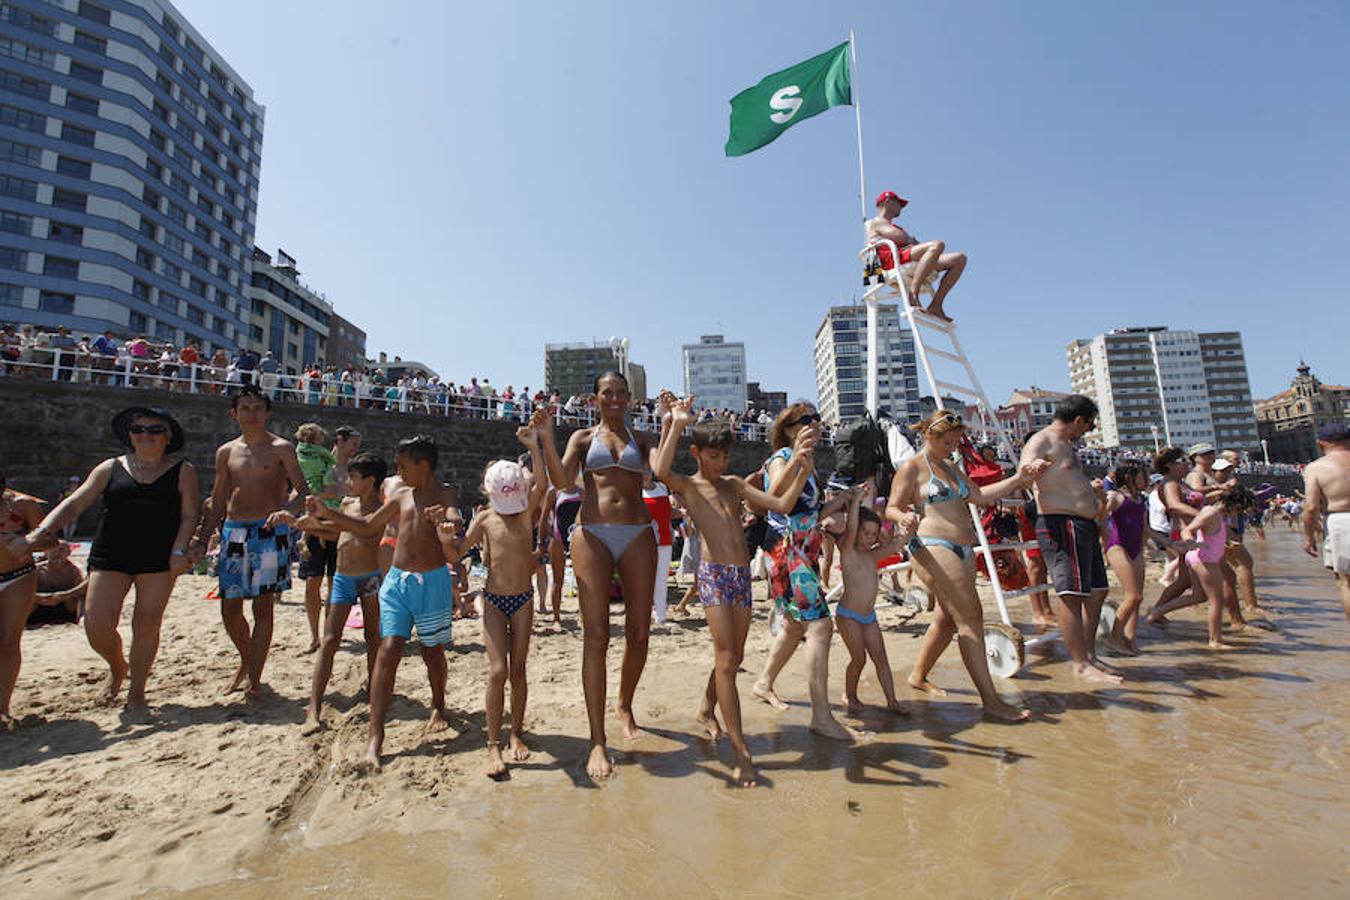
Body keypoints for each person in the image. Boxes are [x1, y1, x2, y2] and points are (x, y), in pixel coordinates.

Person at [652, 394, 815, 787]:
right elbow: (659, 469)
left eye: (724, 456)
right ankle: (741, 752)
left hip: (741, 577)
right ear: (696, 453)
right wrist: (675, 421)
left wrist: (798, 462)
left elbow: (779, 503)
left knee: (733, 656)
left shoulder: (734, 485)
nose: (719, 463)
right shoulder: (689, 486)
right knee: (727, 660)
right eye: (712, 456)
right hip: (713, 576)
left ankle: (707, 709)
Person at [20, 407, 199, 713]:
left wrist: (180, 549)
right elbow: (76, 503)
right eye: (139, 429)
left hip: (159, 556)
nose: (146, 435)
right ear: (129, 435)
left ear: (167, 437)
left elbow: (190, 514)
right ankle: (118, 666)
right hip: (110, 553)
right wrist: (43, 530)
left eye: (155, 430)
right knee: (97, 624)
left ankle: (137, 692)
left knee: (146, 623)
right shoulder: (110, 467)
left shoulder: (183, 470)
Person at [304, 435, 456, 771]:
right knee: (388, 651)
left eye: (403, 466)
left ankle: (438, 705)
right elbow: (368, 526)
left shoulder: (444, 494)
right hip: (397, 581)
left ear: (423, 465)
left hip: (431, 582)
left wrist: (446, 523)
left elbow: (454, 520)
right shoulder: (400, 493)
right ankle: (376, 738)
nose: (398, 473)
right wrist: (326, 514)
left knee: (433, 651)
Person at [535, 371, 658, 781]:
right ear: (596, 398)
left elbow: (659, 473)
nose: (617, 399)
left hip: (639, 532)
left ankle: (624, 705)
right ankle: (597, 739)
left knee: (639, 633)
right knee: (597, 636)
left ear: (631, 398)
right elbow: (562, 480)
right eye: (609, 393)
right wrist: (548, 439)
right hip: (592, 533)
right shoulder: (583, 439)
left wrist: (674, 424)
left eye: (623, 393)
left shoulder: (642, 439)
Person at [886, 410, 1049, 718]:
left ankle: (917, 676)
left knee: (948, 619)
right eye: (947, 442)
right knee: (971, 618)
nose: (953, 448)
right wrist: (903, 516)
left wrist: (1020, 478)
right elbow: (891, 506)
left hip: (962, 547)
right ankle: (991, 701)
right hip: (934, 547)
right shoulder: (912, 468)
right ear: (929, 436)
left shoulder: (950, 467)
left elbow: (978, 496)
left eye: (956, 442)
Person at [435, 421, 548, 779]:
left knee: (518, 670)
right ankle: (492, 744)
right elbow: (456, 555)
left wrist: (534, 446)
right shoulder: (485, 518)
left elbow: (543, 484)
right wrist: (442, 538)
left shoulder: (526, 512)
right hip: (496, 601)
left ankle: (516, 733)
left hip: (524, 600)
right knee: (498, 670)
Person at [192, 385, 308, 698]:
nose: (252, 413)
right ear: (234, 413)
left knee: (263, 609)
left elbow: (301, 488)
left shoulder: (281, 447)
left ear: (267, 412)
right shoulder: (227, 451)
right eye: (245, 408)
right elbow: (217, 501)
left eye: (257, 407)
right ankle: (246, 661)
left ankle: (254, 679)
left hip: (270, 532)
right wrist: (203, 541)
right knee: (229, 610)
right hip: (234, 531)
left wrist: (287, 512)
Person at [749, 403, 857, 739]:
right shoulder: (782, 455)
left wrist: (842, 500)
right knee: (821, 626)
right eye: (806, 420)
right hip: (786, 551)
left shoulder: (809, 462)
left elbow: (808, 509)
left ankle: (763, 682)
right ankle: (821, 716)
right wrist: (796, 457)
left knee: (796, 626)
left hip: (803, 551)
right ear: (789, 427)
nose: (815, 424)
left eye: (817, 419)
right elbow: (774, 495)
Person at [272, 452, 387, 734]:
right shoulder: (347, 504)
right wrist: (308, 525)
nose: (348, 482)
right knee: (330, 639)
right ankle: (314, 705)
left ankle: (374, 689)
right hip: (345, 577)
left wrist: (322, 517)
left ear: (370, 481)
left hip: (370, 577)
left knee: (373, 637)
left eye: (354, 478)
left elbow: (365, 530)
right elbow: (338, 532)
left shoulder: (382, 510)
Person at [1018, 395, 1123, 683]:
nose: (1086, 432)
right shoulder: (1043, 439)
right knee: (1072, 595)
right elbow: (1024, 472)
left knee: (1098, 591)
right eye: (1088, 426)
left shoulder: (1067, 446)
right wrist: (1032, 468)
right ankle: (1080, 664)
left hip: (1084, 524)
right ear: (1079, 419)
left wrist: (1092, 492)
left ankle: (1088, 655)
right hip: (1061, 524)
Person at [836, 482, 912, 717]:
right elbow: (849, 529)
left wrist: (909, 524)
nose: (870, 539)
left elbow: (899, 544)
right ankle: (850, 695)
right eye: (865, 533)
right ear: (856, 531)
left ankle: (892, 701)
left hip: (868, 616)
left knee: (881, 658)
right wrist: (857, 500)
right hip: (848, 615)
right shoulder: (848, 551)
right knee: (858, 659)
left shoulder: (872, 555)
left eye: (873, 534)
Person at [865, 190, 967, 321]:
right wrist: (911, 241)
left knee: (959, 259)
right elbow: (900, 238)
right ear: (887, 202)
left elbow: (904, 239)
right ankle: (913, 294)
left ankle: (936, 305)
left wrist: (911, 242)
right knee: (937, 245)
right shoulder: (876, 222)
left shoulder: (892, 225)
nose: (901, 207)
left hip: (904, 255)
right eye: (898, 203)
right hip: (893, 260)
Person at [0, 467, 46, 726]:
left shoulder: (22, 506)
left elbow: (50, 541)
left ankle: (3, 707)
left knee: (8, 641)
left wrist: (22, 542)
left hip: (18, 575)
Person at [1180, 489, 1254, 650]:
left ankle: (1156, 614)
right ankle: (1215, 641)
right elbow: (1187, 530)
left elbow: (1211, 534)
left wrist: (1226, 543)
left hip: (1206, 557)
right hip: (1204, 559)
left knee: (1199, 597)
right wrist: (1190, 542)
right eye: (1238, 509)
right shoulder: (1211, 513)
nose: (1237, 513)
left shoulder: (1217, 513)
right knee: (1216, 601)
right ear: (1232, 504)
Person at [295, 423, 340, 653]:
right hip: (316, 519)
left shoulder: (327, 460)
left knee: (333, 583)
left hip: (332, 518)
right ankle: (315, 636)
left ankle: (328, 634)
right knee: (314, 582)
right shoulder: (314, 458)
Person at [1303, 423, 1350, 620]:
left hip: (1342, 520)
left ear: (1320, 443)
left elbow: (1311, 507)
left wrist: (1309, 538)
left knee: (1346, 582)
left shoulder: (1316, 467)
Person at [1102, 465, 1148, 655]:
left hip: (1136, 549)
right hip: (1117, 546)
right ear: (1128, 477)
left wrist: (1170, 543)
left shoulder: (1141, 500)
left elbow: (1146, 529)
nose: (1145, 478)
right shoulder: (1116, 497)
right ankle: (1114, 640)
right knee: (1133, 596)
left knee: (1137, 599)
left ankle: (1130, 640)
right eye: (1141, 475)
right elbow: (1099, 518)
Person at [28, 542, 87, 626]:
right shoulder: (37, 571)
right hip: (40, 606)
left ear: (68, 553)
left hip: (66, 607)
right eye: (53, 549)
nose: (56, 553)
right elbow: (24, 592)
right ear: (46, 552)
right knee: (28, 598)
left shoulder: (74, 571)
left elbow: (83, 590)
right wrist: (39, 598)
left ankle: (81, 617)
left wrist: (64, 595)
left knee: (80, 596)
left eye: (61, 550)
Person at [643, 474, 674, 625]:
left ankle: (660, 615)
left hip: (664, 539)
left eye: (646, 470)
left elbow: (668, 512)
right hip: (642, 543)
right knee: (642, 580)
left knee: (661, 579)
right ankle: (642, 614)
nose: (644, 474)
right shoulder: (633, 491)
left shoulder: (662, 487)